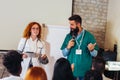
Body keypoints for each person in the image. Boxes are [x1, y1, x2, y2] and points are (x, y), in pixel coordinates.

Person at [61, 15, 99, 80]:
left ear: (78, 24)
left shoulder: (89, 36)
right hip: (71, 70)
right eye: (70, 24)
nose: (70, 26)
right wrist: (68, 47)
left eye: (72, 24)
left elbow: (95, 54)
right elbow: (64, 54)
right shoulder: (68, 36)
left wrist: (92, 50)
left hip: (85, 71)